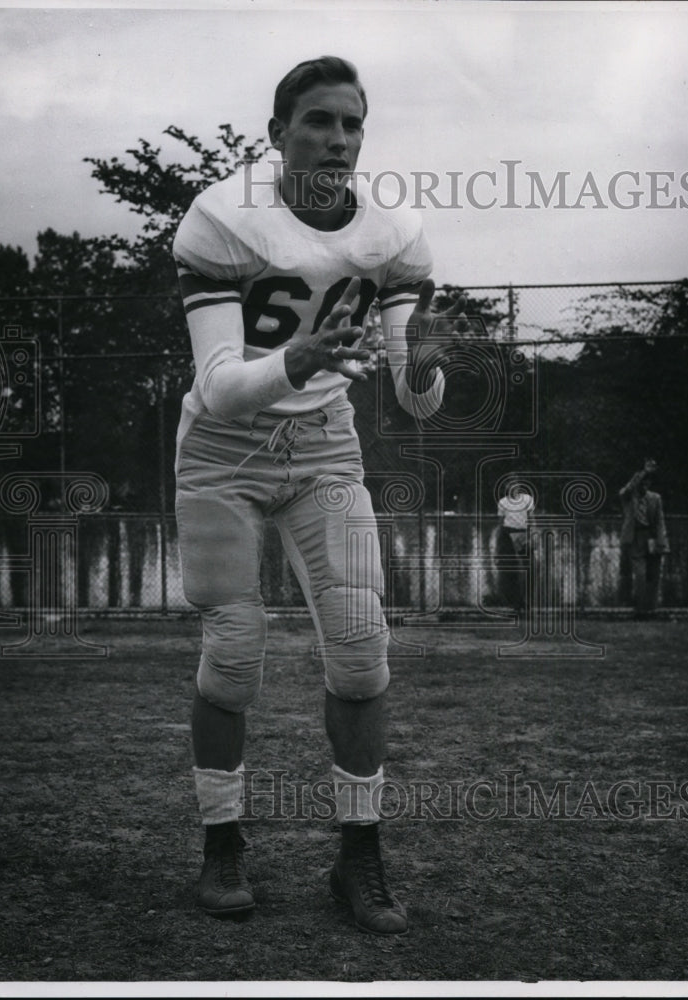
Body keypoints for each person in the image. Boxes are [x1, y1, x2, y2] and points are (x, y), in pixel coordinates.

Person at [172, 55, 466, 935]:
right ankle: (222, 841)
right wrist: (293, 360)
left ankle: (359, 855)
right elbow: (222, 385)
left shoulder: (393, 233)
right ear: (277, 134)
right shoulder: (223, 219)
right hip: (224, 449)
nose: (337, 139)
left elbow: (413, 396)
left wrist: (429, 367)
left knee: (360, 647)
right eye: (318, 122)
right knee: (234, 648)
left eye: (351, 124)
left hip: (325, 446)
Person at [619, 459, 669, 617]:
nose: (644, 486)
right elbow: (627, 489)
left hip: (651, 538)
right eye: (642, 482)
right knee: (640, 574)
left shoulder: (655, 498)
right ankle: (640, 610)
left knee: (654, 574)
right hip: (635, 537)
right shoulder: (627, 497)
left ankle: (651, 609)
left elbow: (660, 521)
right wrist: (644, 472)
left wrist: (662, 541)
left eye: (647, 483)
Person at [495, 485, 534, 612]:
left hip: (522, 533)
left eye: (515, 485)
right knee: (512, 569)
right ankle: (515, 602)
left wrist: (532, 536)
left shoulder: (527, 499)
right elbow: (500, 524)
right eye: (510, 485)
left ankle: (525, 601)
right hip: (508, 534)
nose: (513, 488)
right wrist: (498, 544)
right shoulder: (503, 502)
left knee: (528, 567)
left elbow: (531, 519)